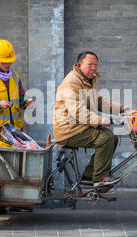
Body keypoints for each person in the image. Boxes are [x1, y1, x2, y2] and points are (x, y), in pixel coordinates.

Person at [53, 51, 129, 187]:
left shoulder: (87, 81)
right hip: (68, 130)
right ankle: (99, 179)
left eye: (96, 65)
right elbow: (77, 110)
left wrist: (122, 108)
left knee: (113, 138)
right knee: (106, 138)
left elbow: (99, 101)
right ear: (79, 65)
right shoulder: (72, 82)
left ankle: (89, 176)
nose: (93, 68)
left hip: (79, 127)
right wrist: (99, 120)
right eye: (90, 65)